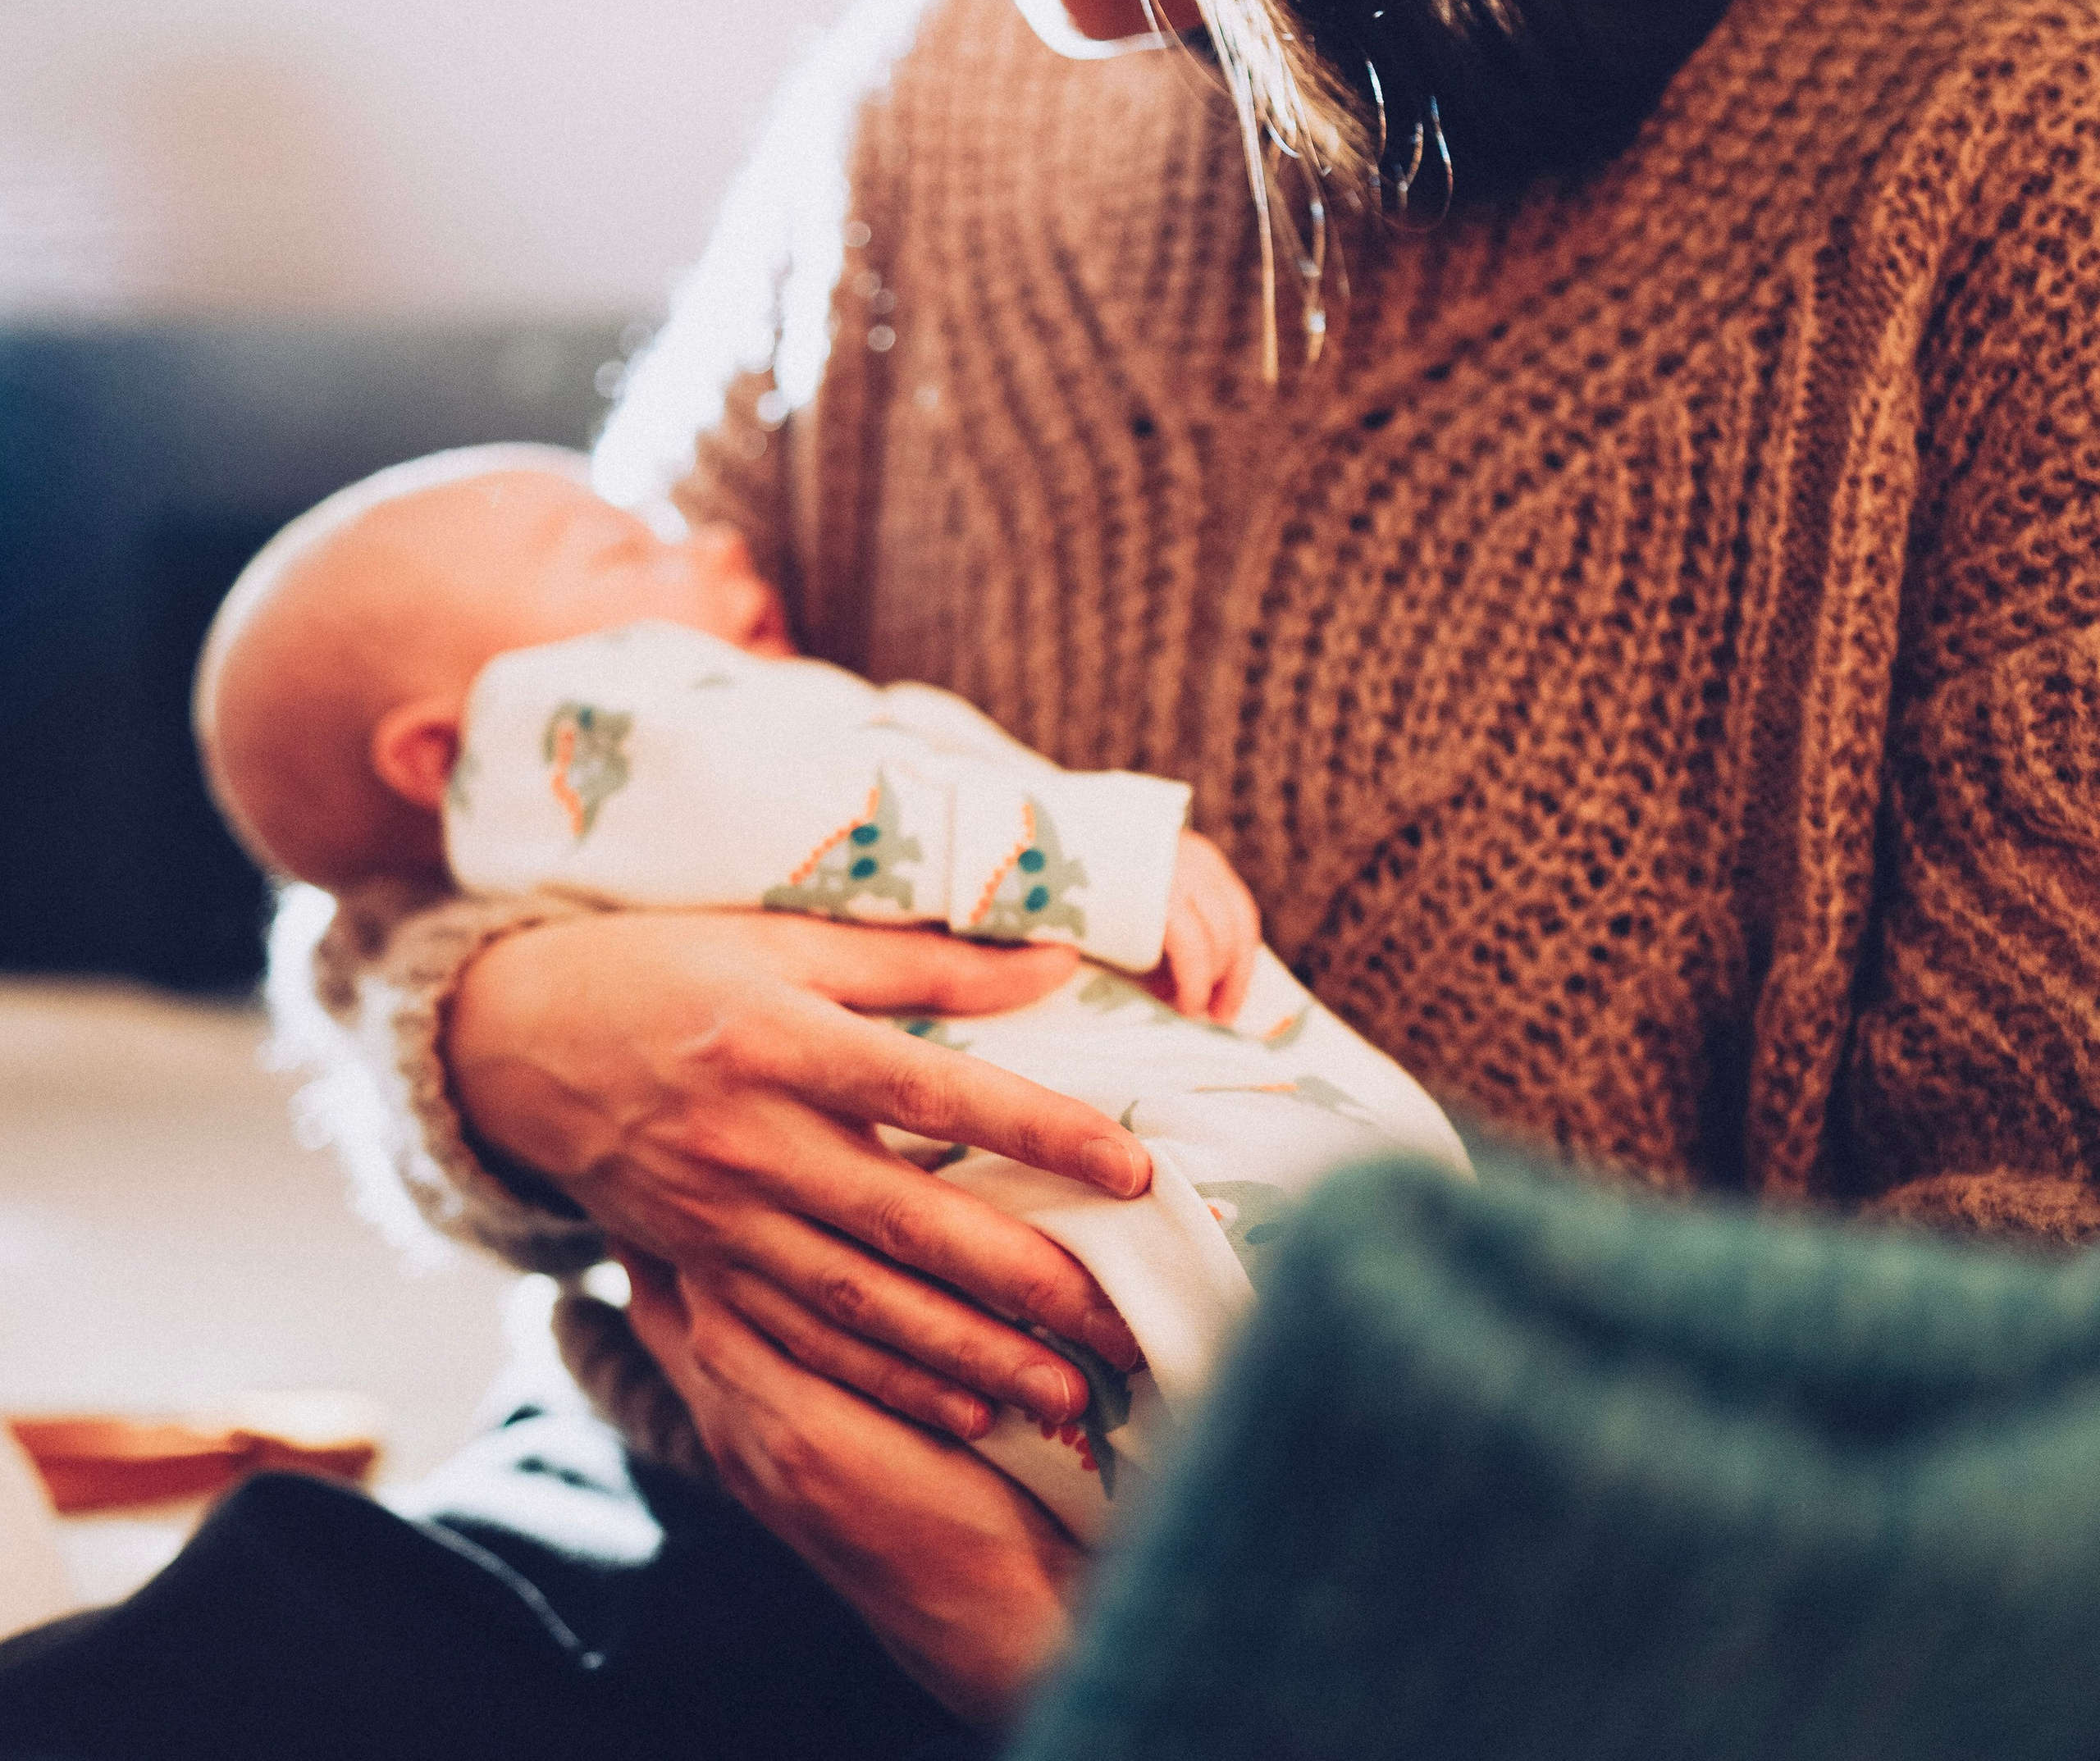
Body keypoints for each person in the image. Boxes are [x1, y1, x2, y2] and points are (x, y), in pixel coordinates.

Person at [2, 0, 2093, 1750]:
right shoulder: (924, 136)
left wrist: (1067, 1672)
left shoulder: (2002, 173)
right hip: (618, 1556)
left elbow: (2015, 1469)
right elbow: (410, 818)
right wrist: (518, 1059)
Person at [190, 446, 1465, 1542]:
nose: (720, 541)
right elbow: (827, 801)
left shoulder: (564, 764)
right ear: (448, 758)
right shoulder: (583, 733)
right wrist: (1105, 862)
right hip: (999, 1297)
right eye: (623, 551)